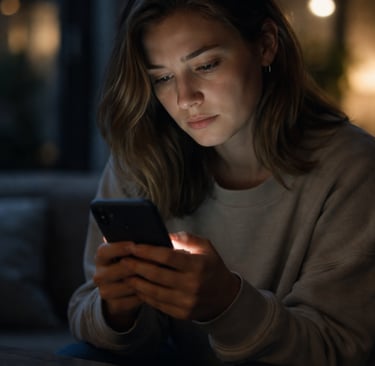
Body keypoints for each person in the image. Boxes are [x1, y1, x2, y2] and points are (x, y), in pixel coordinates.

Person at [64, 0, 375, 365]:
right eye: (162, 78)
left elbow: (338, 349)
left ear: (265, 45)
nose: (185, 99)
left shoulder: (352, 168)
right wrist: (118, 310)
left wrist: (227, 305)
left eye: (206, 65)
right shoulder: (142, 157)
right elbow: (85, 311)